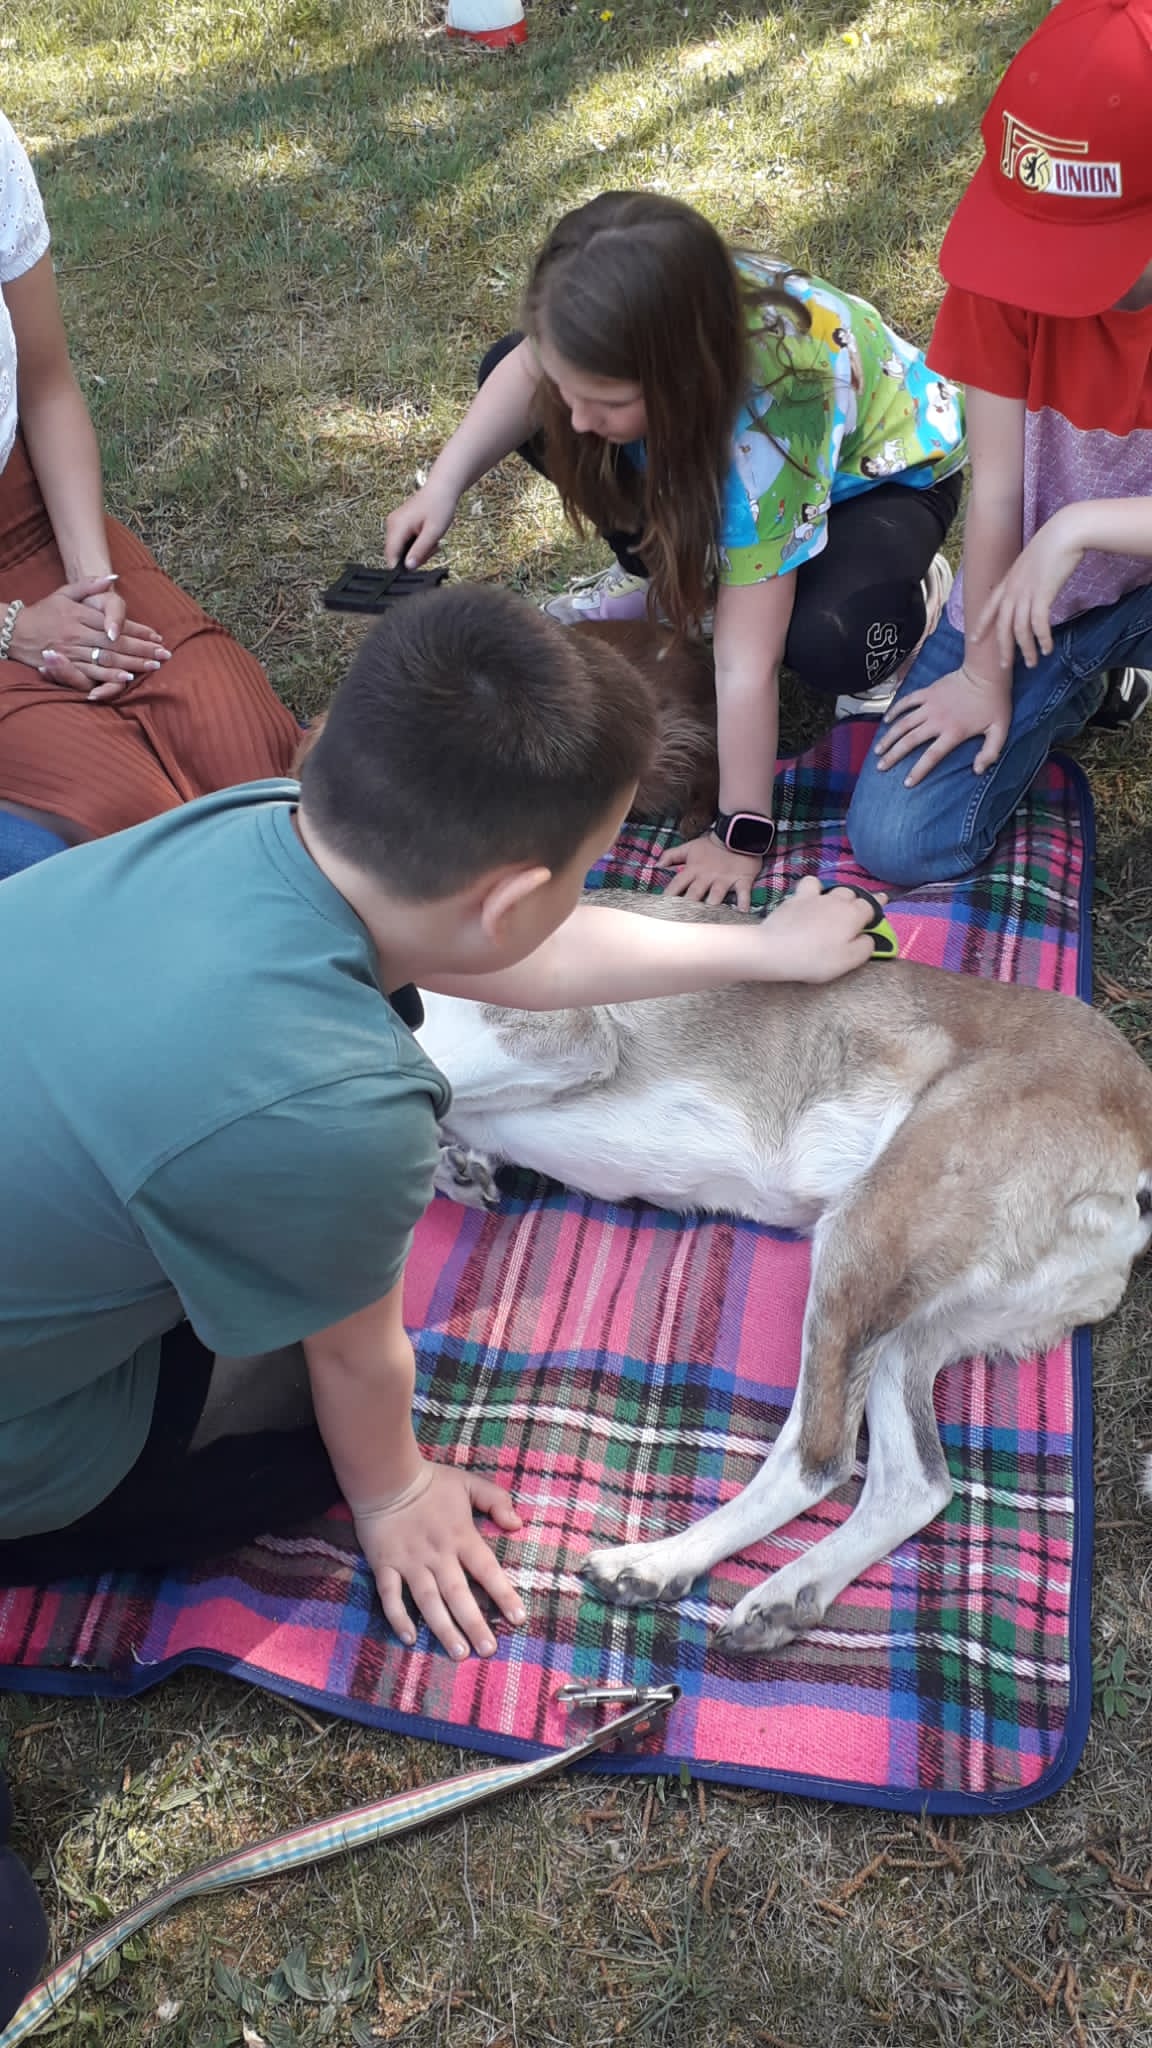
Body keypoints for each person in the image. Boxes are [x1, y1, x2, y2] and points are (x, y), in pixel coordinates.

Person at [0, 583, 877, 1658]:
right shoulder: (344, 1108)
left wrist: (759, 948)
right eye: (587, 873)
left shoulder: (254, 818)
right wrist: (395, 1491)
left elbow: (528, 952)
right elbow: (356, 1363)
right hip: (30, 1438)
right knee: (315, 1433)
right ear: (510, 900)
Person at [385, 191, 966, 912]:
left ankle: (910, 594)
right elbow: (529, 368)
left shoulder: (767, 434)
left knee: (824, 642)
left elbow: (746, 665)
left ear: (682, 380)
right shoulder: (619, 324)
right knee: (534, 395)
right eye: (570, 387)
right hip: (720, 458)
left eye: (605, 399)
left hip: (881, 485)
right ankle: (680, 582)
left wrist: (740, 833)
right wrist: (442, 486)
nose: (576, 416)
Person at [847, 0, 1152, 886]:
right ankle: (1088, 676)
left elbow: (1054, 524)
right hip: (1038, 592)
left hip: (1085, 558)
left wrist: (1079, 527)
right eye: (1036, 240)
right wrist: (983, 671)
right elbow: (998, 492)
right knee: (898, 837)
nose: (1047, 281)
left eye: (1083, 249)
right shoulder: (999, 278)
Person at [0, 110, 299, 846]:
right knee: (127, 815)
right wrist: (13, 629)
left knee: (249, 750)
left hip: (30, 511)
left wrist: (93, 583)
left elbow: (46, 387)